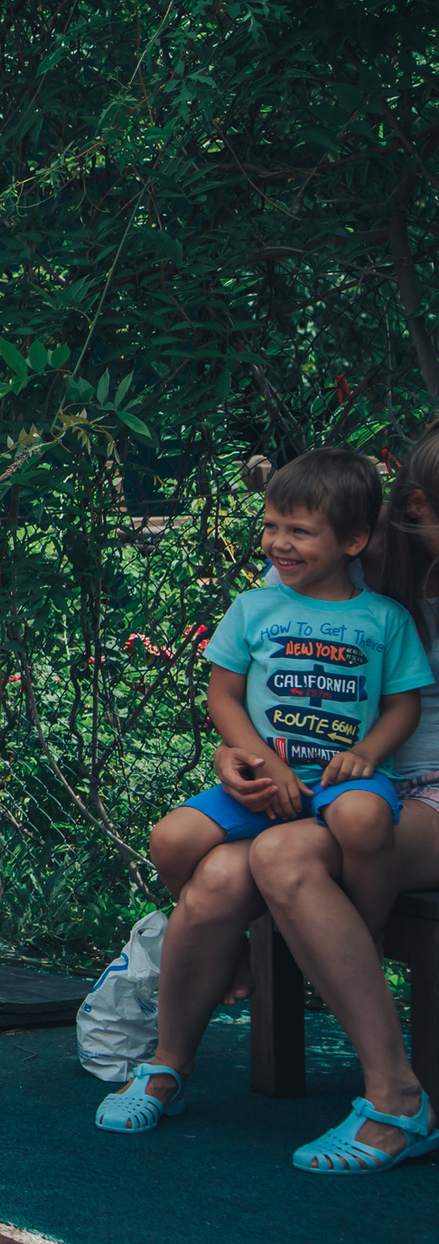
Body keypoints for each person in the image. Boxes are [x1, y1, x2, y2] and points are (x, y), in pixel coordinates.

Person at [97, 447, 429, 1139]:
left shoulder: (382, 617)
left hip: (360, 782)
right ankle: (167, 1064)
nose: (279, 541)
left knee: (330, 831)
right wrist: (239, 753)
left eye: (296, 532)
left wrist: (367, 754)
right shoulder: (281, 590)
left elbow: (402, 705)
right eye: (273, 526)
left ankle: (386, 1069)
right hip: (278, 774)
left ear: (353, 539)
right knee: (199, 862)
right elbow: (232, 688)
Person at [238, 429, 439, 1171]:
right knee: (276, 856)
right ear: (416, 507)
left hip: (423, 799)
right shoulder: (331, 557)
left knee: (301, 855)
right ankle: (401, 1094)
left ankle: (392, 1099)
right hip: (349, 783)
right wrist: (242, 756)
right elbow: (263, 677)